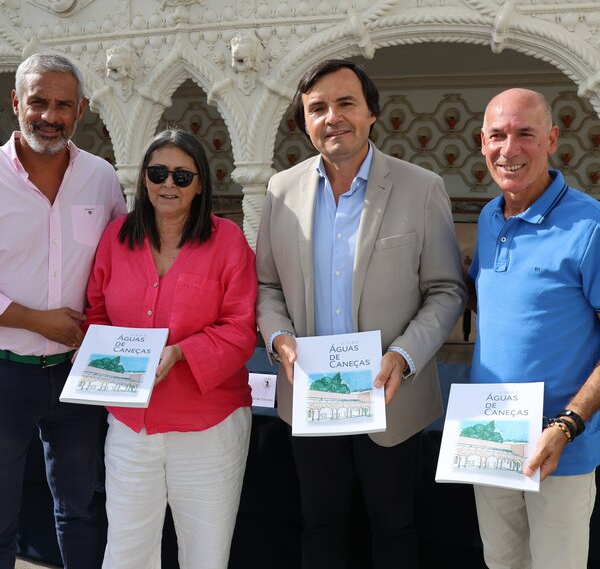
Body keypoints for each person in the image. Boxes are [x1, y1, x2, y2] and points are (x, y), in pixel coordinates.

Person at [255, 59, 466, 568]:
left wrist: (404, 355)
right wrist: (279, 337)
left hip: (392, 396)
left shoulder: (421, 188)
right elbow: (267, 285)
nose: (333, 117)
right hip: (312, 398)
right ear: (305, 123)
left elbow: (446, 290)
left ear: (372, 112)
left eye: (345, 103)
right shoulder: (281, 190)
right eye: (317, 108)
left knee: (394, 531)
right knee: (320, 528)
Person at [84, 129, 257, 569]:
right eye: (158, 173)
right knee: (126, 552)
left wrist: (181, 353)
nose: (168, 184)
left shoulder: (227, 240)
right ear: (143, 177)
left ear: (200, 184)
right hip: (130, 426)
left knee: (205, 555)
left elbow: (240, 328)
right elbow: (96, 312)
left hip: (208, 427)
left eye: (182, 176)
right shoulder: (116, 237)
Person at [0, 53, 127, 569]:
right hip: (6, 372)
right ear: (16, 103)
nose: (49, 116)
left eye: (63, 105)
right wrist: (35, 320)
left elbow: (123, 263)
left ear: (82, 110)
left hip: (81, 374)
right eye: (38, 102)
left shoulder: (100, 177)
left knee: (80, 509)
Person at [466, 87, 600, 569]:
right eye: (498, 135)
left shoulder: (591, 225)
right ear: (482, 142)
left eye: (525, 133)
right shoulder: (488, 217)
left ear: (552, 139)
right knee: (500, 562)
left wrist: (567, 424)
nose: (510, 148)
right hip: (490, 438)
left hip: (560, 446)